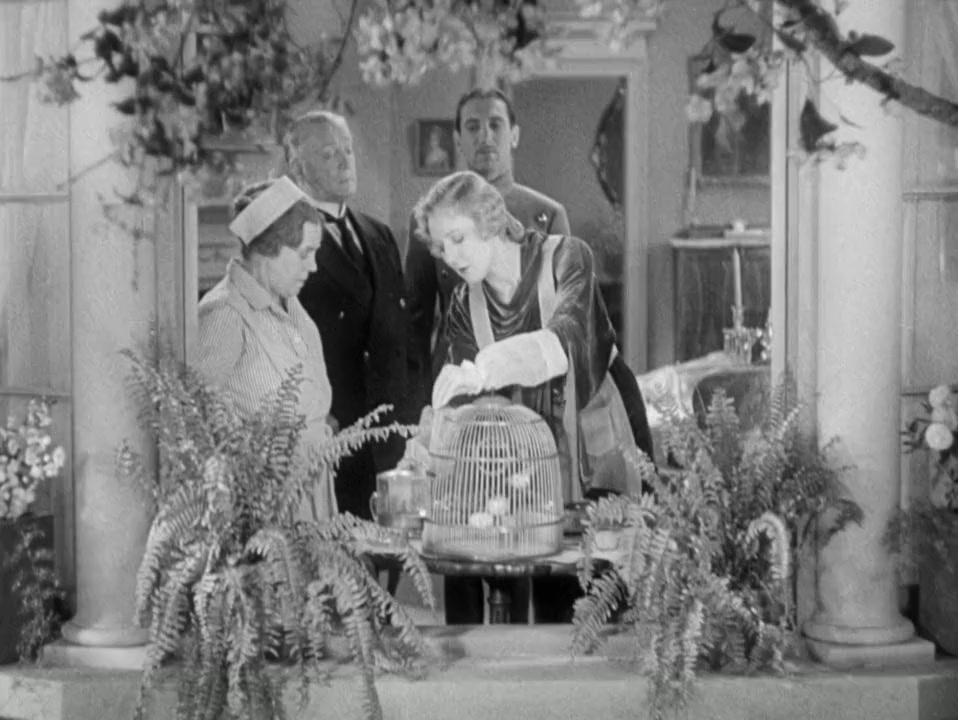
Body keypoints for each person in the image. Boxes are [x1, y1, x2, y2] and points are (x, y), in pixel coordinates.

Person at [411, 170, 655, 623]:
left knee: (599, 597)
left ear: (491, 220)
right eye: (442, 247)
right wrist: (428, 442)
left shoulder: (567, 257)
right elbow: (462, 407)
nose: (451, 257)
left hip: (601, 438)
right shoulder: (465, 303)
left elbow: (567, 337)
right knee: (547, 594)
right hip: (533, 459)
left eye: (458, 238)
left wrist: (484, 369)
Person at [404, 88, 571, 415]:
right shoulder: (431, 221)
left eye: (495, 124)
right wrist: (420, 404)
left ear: (514, 135)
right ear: (457, 140)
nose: (485, 136)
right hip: (458, 387)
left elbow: (566, 320)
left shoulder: (547, 215)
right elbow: (415, 322)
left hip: (533, 389)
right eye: (472, 127)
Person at [284, 110, 413, 520]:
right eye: (329, 154)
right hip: (335, 432)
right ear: (298, 168)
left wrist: (412, 416)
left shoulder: (379, 234)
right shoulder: (286, 243)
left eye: (348, 150)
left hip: (391, 437)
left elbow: (401, 338)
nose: (345, 162)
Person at [194, 175, 336, 520]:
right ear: (267, 249)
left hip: (314, 502)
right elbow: (197, 429)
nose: (314, 266)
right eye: (304, 254)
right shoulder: (225, 314)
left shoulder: (293, 308)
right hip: (265, 514)